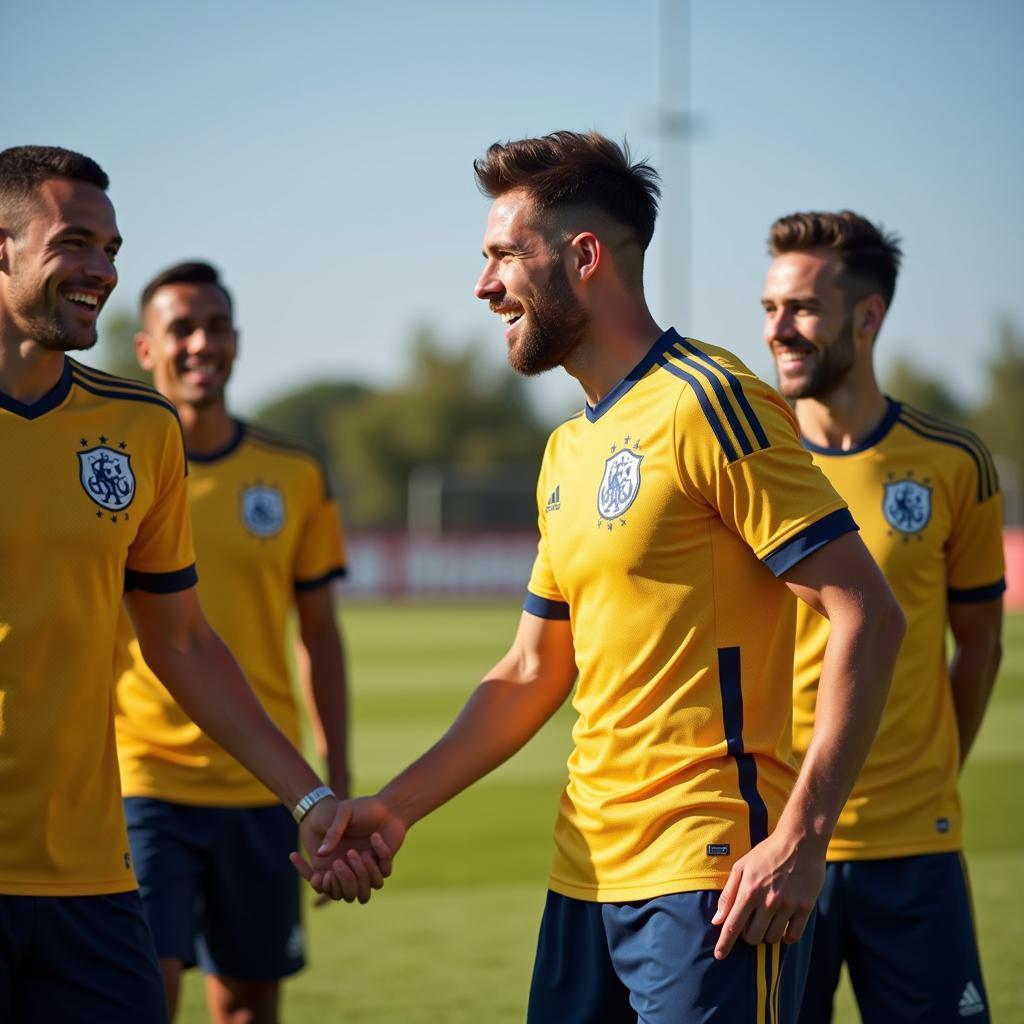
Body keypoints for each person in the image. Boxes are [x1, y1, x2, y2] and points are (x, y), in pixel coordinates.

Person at [301, 131, 906, 1024]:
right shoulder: (567, 448)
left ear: (584, 256)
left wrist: (804, 839)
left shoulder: (710, 400)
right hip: (581, 873)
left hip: (709, 877)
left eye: (505, 255)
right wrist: (395, 808)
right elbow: (531, 670)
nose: (484, 285)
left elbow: (866, 612)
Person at [0, 146, 384, 1024]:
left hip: (88, 881)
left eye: (111, 247)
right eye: (75, 243)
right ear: (3, 249)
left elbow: (182, 641)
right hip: (147, 795)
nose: (102, 269)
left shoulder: (138, 429)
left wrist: (316, 797)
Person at [761, 210, 1004, 1024]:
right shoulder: (745, 457)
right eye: (769, 309)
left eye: (800, 309)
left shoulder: (952, 463)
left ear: (868, 317)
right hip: (777, 844)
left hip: (915, 851)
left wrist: (935, 769)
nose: (779, 330)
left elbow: (978, 647)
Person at [113, 261, 351, 1024]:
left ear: (237, 342)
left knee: (248, 1006)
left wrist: (335, 773)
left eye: (215, 327)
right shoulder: (114, 468)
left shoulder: (293, 471)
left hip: (264, 782)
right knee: (144, 991)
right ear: (146, 349)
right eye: (180, 328)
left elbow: (319, 632)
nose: (200, 344)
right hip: (144, 779)